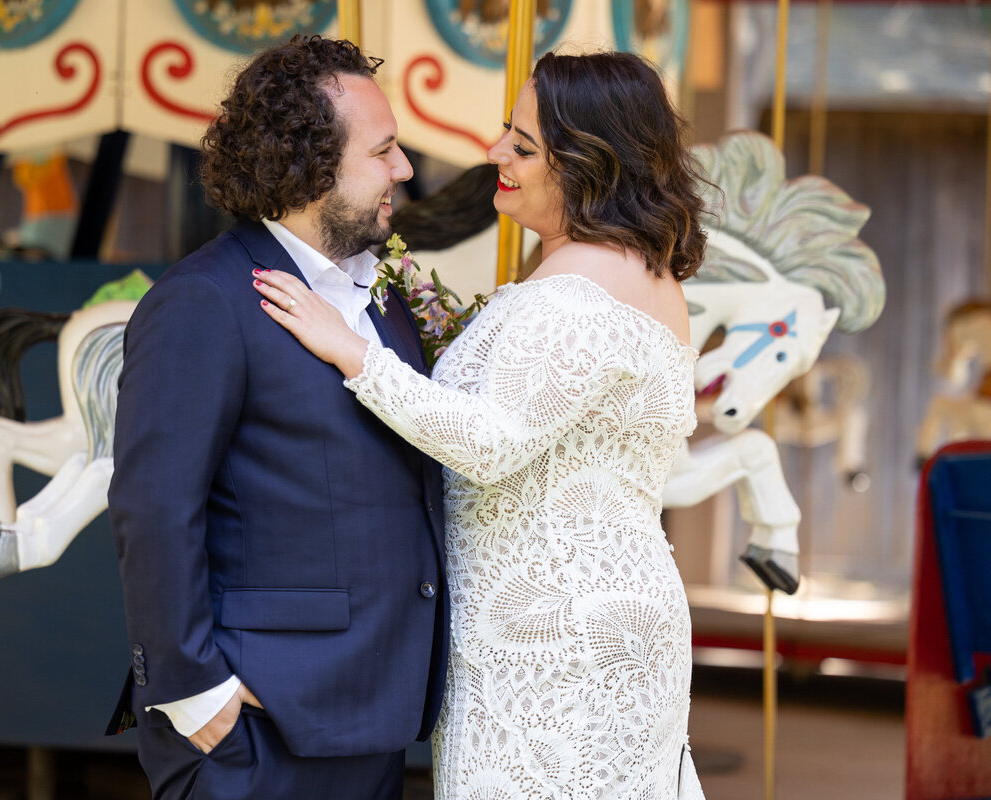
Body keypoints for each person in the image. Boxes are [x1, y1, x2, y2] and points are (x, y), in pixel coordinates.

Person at [253, 51, 708, 798]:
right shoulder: (631, 268)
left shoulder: (579, 289)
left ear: (590, 161)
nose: (497, 153)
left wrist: (355, 352)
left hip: (555, 636)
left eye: (524, 147)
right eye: (508, 132)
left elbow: (490, 441)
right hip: (589, 612)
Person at [107, 35, 447, 800]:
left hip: (372, 717)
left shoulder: (384, 298)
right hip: (254, 727)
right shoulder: (204, 301)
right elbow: (154, 506)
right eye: (384, 150)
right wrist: (197, 690)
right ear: (312, 167)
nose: (405, 170)